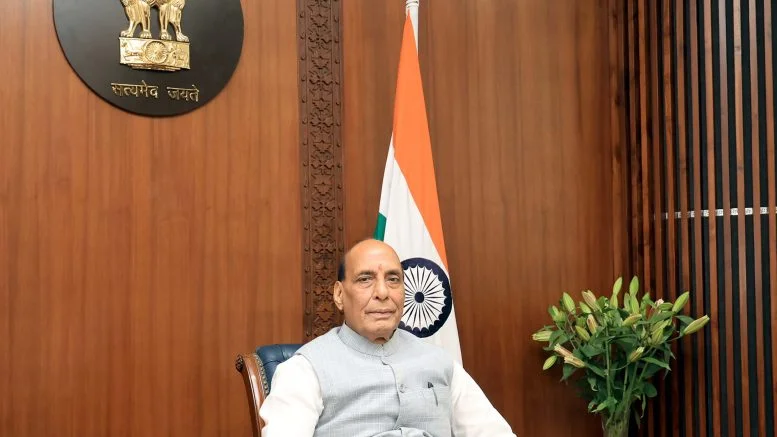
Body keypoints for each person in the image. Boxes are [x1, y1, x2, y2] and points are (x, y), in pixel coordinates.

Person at [259, 239, 516, 437]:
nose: (382, 292)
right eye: (365, 279)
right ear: (339, 294)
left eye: (393, 279)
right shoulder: (305, 369)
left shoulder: (440, 361)